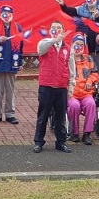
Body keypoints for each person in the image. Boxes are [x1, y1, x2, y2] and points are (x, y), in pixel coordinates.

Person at [33, 21, 74, 154]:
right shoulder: (44, 43)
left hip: (61, 86)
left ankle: (61, 142)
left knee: (60, 116)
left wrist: (71, 86)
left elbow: (71, 69)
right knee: (43, 115)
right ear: (50, 30)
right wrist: (53, 40)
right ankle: (38, 142)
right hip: (46, 85)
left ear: (63, 31)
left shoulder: (68, 49)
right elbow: (41, 50)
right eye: (53, 28)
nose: (56, 30)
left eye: (59, 28)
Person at [0, 5, 24, 125]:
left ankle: (10, 114)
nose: (6, 16)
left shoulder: (17, 28)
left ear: (12, 15)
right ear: (0, 15)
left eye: (8, 14)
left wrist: (21, 62)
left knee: (10, 90)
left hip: (12, 63)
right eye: (4, 14)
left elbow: (21, 46)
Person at [55, 0, 99, 66]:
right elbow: (68, 10)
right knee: (82, 65)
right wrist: (63, 4)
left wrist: (98, 17)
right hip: (83, 41)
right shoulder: (80, 9)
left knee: (96, 66)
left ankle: (96, 77)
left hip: (96, 43)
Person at [67, 34, 99, 145]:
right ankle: (74, 133)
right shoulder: (67, 59)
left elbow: (95, 74)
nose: (79, 47)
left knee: (91, 104)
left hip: (86, 93)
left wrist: (90, 80)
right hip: (72, 93)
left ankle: (87, 133)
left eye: (81, 45)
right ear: (72, 45)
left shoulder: (88, 59)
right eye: (76, 44)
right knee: (74, 106)